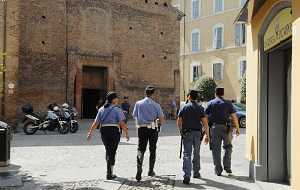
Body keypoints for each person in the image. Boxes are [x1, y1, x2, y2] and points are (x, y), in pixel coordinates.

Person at [87, 92, 129, 180]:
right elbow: (122, 123)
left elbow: (96, 122)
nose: (117, 99)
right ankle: (109, 173)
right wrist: (126, 133)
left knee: (108, 150)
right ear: (113, 99)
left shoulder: (101, 109)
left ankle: (110, 171)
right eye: (116, 98)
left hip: (104, 131)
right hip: (114, 131)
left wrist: (90, 132)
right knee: (112, 151)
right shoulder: (117, 109)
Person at [177, 90, 210, 185]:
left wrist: (181, 131)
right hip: (197, 134)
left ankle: (187, 175)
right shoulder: (200, 108)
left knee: (187, 154)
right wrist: (207, 135)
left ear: (189, 97)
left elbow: (179, 121)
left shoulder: (184, 107)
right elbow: (205, 123)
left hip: (187, 133)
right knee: (196, 153)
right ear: (196, 98)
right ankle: (196, 172)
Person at [132, 85, 165, 182]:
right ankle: (150, 170)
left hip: (141, 129)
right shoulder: (156, 105)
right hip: (153, 129)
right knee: (152, 149)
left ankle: (139, 169)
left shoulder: (138, 103)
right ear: (153, 94)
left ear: (145, 93)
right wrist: (157, 121)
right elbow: (162, 121)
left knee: (140, 149)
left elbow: (135, 116)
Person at [205, 87, 240, 176]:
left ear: (215, 93)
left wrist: (206, 133)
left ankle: (218, 170)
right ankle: (227, 167)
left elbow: (205, 118)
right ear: (223, 93)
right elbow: (234, 117)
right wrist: (237, 128)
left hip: (214, 128)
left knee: (215, 149)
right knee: (228, 147)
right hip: (226, 128)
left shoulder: (210, 103)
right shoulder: (228, 103)